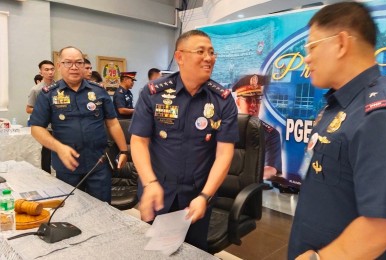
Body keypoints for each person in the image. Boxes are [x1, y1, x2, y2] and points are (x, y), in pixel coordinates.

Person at [288, 2, 386, 259]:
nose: (307, 57)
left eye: (312, 46)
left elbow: (384, 226)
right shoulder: (338, 106)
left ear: (342, 43)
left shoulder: (381, 115)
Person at [129, 29, 238, 251]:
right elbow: (139, 141)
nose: (209, 58)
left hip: (196, 196)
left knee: (193, 251)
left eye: (212, 52)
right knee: (154, 251)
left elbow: (224, 154)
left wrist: (205, 195)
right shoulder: (153, 93)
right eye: (201, 51)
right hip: (157, 190)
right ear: (180, 57)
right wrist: (149, 183)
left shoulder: (222, 100)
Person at [30, 46, 128, 203]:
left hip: (98, 164)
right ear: (59, 65)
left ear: (84, 65)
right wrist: (58, 147)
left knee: (103, 211)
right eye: (68, 62)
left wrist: (124, 150)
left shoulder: (98, 91)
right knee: (72, 214)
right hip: (67, 167)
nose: (74, 67)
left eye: (78, 62)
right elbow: (36, 128)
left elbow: (112, 122)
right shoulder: (49, 94)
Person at [232, 74, 282, 181]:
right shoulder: (226, 128)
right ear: (238, 103)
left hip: (251, 184)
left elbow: (271, 169)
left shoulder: (271, 134)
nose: (254, 105)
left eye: (257, 99)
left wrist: (246, 175)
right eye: (248, 100)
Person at [27, 60, 55, 174]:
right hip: (46, 127)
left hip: (61, 125)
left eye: (52, 69)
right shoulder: (36, 89)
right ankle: (46, 174)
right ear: (41, 72)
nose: (50, 72)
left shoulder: (60, 86)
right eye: (46, 70)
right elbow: (28, 109)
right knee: (47, 153)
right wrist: (45, 110)